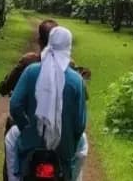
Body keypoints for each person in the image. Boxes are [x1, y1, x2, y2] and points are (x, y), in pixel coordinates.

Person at [5, 26, 87, 181]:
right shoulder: (77, 80)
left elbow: (15, 105)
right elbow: (80, 124)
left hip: (30, 143)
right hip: (64, 150)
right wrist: (69, 139)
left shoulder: (31, 71)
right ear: (68, 47)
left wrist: (26, 127)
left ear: (49, 43)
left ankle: (14, 177)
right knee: (83, 145)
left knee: (10, 138)